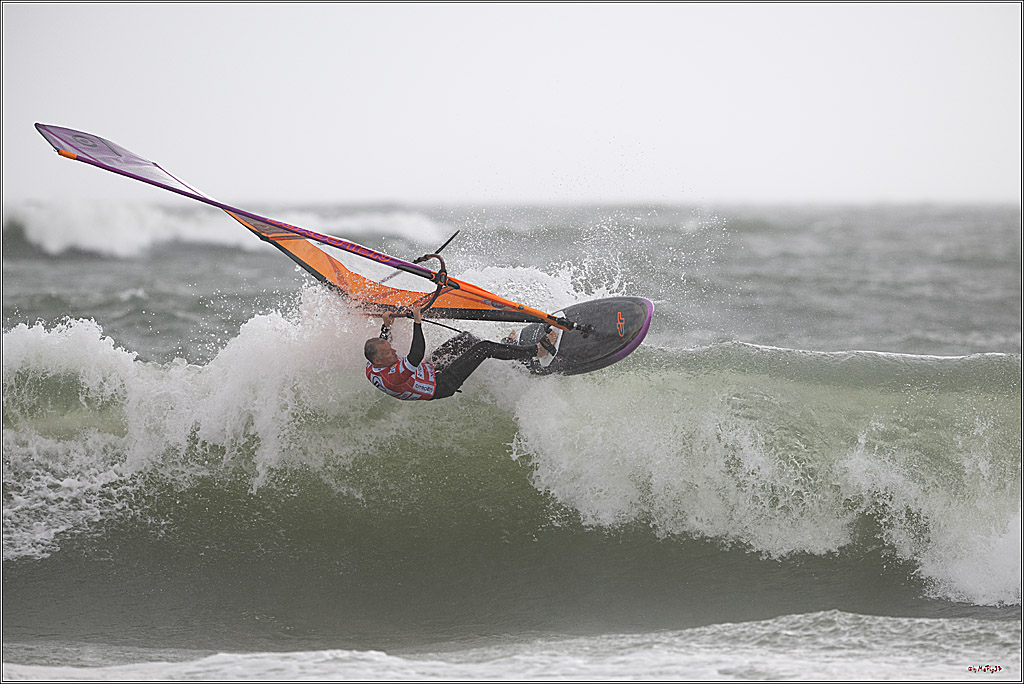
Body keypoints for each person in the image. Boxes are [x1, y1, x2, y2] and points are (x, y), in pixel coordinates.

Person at [364, 304, 556, 400]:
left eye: (390, 349)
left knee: (465, 339)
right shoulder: (394, 377)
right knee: (483, 348)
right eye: (389, 353)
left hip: (428, 370)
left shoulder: (374, 363)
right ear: (379, 361)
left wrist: (386, 326)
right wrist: (417, 321)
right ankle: (536, 351)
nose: (394, 351)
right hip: (441, 384)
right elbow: (416, 354)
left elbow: (383, 345)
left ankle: (506, 347)